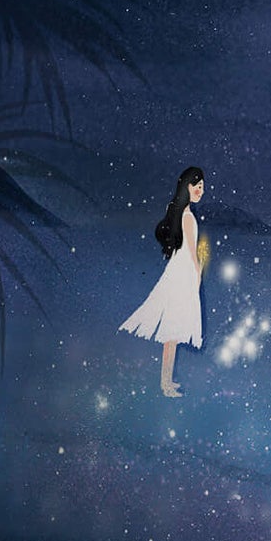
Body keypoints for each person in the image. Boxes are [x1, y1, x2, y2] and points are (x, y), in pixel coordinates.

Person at [119, 166, 206, 397]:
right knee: (172, 333)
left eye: (202, 187)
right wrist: (198, 273)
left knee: (172, 333)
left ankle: (167, 381)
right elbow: (191, 252)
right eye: (196, 186)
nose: (200, 191)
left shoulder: (182, 214)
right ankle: (165, 384)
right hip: (183, 275)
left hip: (178, 272)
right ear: (187, 187)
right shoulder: (188, 217)